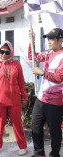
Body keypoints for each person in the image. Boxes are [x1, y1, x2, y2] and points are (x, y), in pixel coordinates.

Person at [29, 28, 63, 157]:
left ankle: (54, 154)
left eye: (52, 39)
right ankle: (39, 153)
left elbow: (59, 77)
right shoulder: (49, 53)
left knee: (54, 131)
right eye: (48, 39)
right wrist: (31, 40)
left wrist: (42, 72)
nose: (49, 41)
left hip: (55, 101)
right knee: (35, 127)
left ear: (60, 40)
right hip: (41, 97)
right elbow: (33, 56)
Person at [0, 41, 28, 156]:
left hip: (14, 100)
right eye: (2, 52)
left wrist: (24, 97)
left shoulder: (16, 64)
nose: (4, 54)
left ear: (11, 52)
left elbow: (21, 82)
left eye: (7, 52)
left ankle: (22, 146)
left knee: (17, 124)